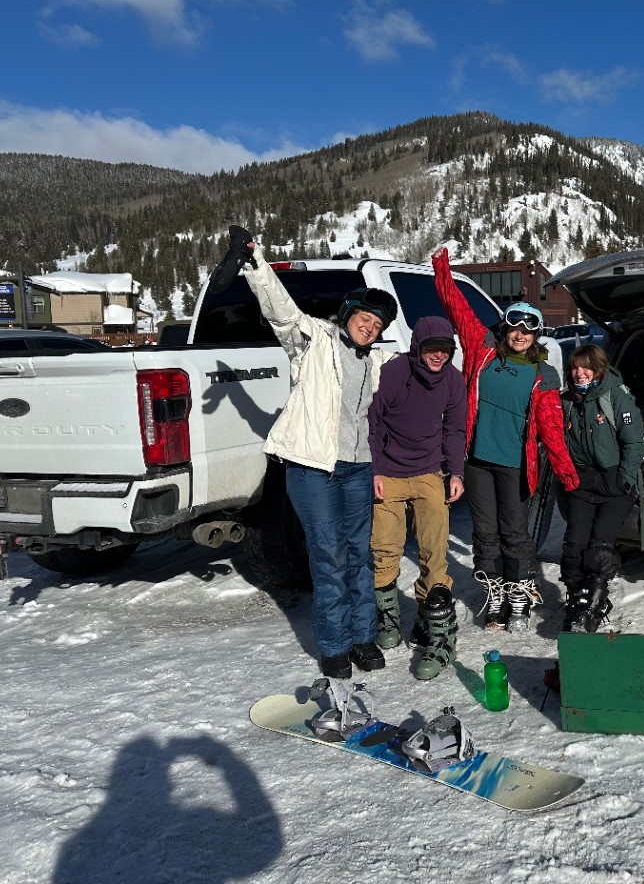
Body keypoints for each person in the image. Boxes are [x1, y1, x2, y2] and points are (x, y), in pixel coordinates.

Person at [239, 240, 396, 680]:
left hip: (358, 470)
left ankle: (364, 637)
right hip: (313, 469)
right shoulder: (314, 340)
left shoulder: (378, 361)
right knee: (328, 557)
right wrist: (256, 266)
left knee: (359, 556)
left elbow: (422, 373)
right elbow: (281, 312)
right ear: (347, 315)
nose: (369, 327)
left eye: (377, 323)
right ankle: (334, 645)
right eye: (364, 318)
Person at [432, 247, 580, 631]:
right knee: (484, 532)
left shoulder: (543, 375)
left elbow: (550, 428)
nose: (519, 334)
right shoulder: (482, 352)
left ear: (536, 336)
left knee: (515, 532)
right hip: (478, 461)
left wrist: (565, 471)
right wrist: (441, 269)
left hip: (516, 465)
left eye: (528, 329)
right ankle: (495, 596)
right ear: (505, 328)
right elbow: (456, 308)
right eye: (514, 326)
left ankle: (520, 595)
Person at [367, 315, 468, 680]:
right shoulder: (396, 372)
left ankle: (439, 635)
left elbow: (456, 428)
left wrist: (455, 472)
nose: (438, 355)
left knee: (433, 553)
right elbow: (374, 422)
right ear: (417, 347)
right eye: (431, 348)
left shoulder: (453, 381)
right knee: (384, 547)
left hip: (429, 472)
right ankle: (388, 619)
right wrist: (376, 469)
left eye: (444, 349)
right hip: (390, 473)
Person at [558, 343, 644, 632]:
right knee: (573, 547)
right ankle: (575, 602)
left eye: (586, 367)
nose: (579, 373)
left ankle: (592, 606)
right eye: (574, 367)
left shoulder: (616, 397)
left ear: (598, 368)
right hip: (581, 483)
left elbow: (634, 442)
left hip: (613, 481)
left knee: (599, 548)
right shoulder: (566, 400)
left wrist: (625, 479)